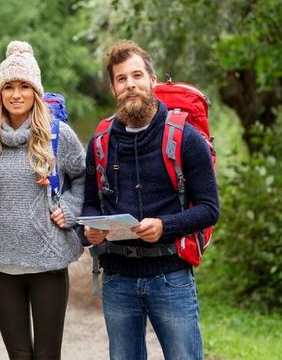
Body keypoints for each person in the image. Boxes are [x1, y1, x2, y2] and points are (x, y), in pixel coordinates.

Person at [81, 40, 219, 360]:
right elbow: (90, 204)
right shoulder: (101, 142)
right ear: (113, 88)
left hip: (171, 276)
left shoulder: (186, 138)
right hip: (117, 278)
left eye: (137, 75)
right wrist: (89, 231)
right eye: (121, 79)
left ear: (152, 81)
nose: (130, 85)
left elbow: (209, 209)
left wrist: (165, 226)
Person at [0, 40, 86, 360]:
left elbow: (81, 178)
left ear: (35, 91)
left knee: (47, 354)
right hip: (2, 262)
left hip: (48, 261)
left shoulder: (58, 135)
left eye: (24, 86)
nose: (16, 94)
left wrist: (69, 208)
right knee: (19, 355)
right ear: (0, 93)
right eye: (8, 86)